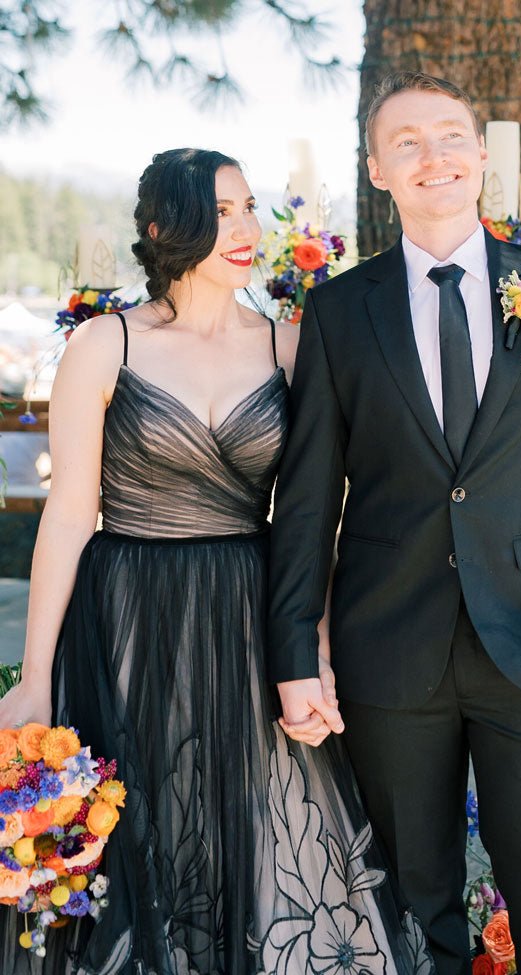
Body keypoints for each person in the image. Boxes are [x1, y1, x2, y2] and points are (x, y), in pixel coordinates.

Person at [0, 148, 433, 974]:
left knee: (263, 840)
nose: (246, 229)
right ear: (165, 227)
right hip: (127, 618)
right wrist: (36, 674)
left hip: (249, 613)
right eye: (221, 211)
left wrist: (316, 649)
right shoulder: (105, 343)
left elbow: (317, 519)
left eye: (249, 208)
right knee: (134, 833)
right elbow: (69, 514)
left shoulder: (291, 348)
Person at [268, 72, 521, 975]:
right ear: (376, 170)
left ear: (479, 154)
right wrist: (294, 651)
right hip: (390, 648)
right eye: (405, 142)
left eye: (448, 135)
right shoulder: (340, 310)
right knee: (409, 898)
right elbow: (308, 497)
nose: (430, 155)